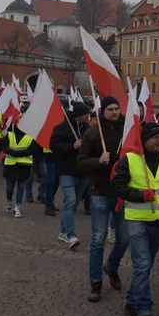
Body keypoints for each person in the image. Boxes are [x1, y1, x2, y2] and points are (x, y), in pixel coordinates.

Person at [110, 121, 159, 316]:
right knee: (142, 263)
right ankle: (145, 313)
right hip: (137, 219)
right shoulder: (130, 159)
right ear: (144, 139)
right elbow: (116, 186)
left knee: (146, 264)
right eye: (154, 137)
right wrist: (139, 195)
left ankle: (131, 301)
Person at [78, 95, 130, 303]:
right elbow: (80, 162)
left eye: (116, 108)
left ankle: (112, 266)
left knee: (124, 238)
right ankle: (95, 284)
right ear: (103, 111)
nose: (115, 112)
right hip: (99, 191)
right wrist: (97, 160)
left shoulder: (127, 132)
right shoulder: (92, 133)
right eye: (110, 109)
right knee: (98, 239)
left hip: (121, 193)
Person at [51, 101, 91, 249]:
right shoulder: (62, 128)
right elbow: (53, 145)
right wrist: (72, 146)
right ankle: (71, 236)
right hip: (66, 170)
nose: (88, 116)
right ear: (78, 116)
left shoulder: (89, 130)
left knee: (73, 204)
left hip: (83, 172)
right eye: (85, 113)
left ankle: (63, 231)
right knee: (70, 200)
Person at [2, 125, 35, 217]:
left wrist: (18, 153)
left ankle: (18, 207)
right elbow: (4, 147)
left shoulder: (30, 136)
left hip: (24, 164)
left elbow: (32, 150)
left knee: (21, 186)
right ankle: (9, 200)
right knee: (10, 186)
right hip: (11, 164)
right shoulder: (9, 134)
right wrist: (13, 152)